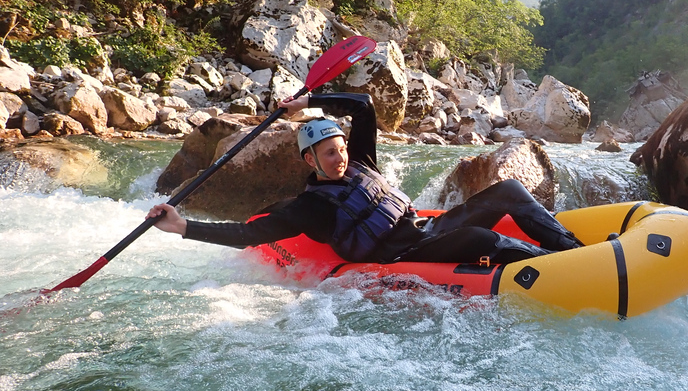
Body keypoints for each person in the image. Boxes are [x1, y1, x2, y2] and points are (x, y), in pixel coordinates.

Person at [146, 92, 582, 264]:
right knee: (482, 241)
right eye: (328, 154)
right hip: (405, 253)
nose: (339, 158)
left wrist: (308, 101)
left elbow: (365, 106)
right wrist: (181, 225)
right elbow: (245, 234)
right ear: (309, 161)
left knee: (507, 188)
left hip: (428, 228)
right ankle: (563, 267)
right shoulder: (311, 208)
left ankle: (574, 250)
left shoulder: (362, 163)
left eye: (340, 149)